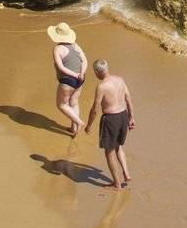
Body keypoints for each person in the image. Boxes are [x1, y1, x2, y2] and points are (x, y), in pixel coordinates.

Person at [85, 59, 135, 190]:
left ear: (97, 72)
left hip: (111, 119)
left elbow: (95, 108)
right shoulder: (120, 79)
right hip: (123, 115)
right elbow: (128, 98)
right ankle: (126, 172)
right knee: (119, 146)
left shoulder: (101, 86)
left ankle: (117, 184)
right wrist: (131, 117)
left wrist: (89, 125)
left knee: (109, 152)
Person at [47, 22, 87, 137]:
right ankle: (74, 129)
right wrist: (81, 73)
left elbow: (61, 67)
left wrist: (74, 75)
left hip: (68, 80)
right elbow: (84, 60)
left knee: (62, 105)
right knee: (74, 103)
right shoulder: (76, 45)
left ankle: (79, 122)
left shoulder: (57, 49)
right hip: (81, 78)